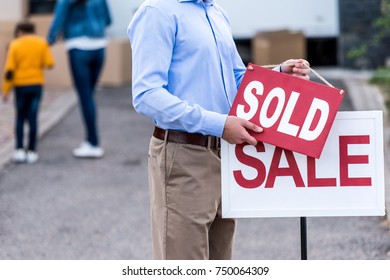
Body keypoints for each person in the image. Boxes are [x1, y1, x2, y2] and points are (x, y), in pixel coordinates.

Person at [128, 0, 310, 260]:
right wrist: (220, 124)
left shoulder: (215, 12)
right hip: (184, 154)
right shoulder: (157, 11)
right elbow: (147, 95)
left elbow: (234, 77)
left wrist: (279, 75)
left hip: (226, 154)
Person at [47, 0, 112, 158]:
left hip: (78, 47)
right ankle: (90, 140)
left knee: (85, 97)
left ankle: (93, 143)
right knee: (89, 95)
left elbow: (58, 20)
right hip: (99, 47)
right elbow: (109, 20)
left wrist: (49, 40)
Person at [2, 22, 55, 164]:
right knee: (33, 117)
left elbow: (9, 70)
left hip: (20, 85)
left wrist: (5, 90)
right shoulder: (41, 43)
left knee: (20, 117)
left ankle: (19, 149)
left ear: (20, 30)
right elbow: (50, 63)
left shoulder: (15, 44)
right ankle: (31, 151)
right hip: (36, 84)